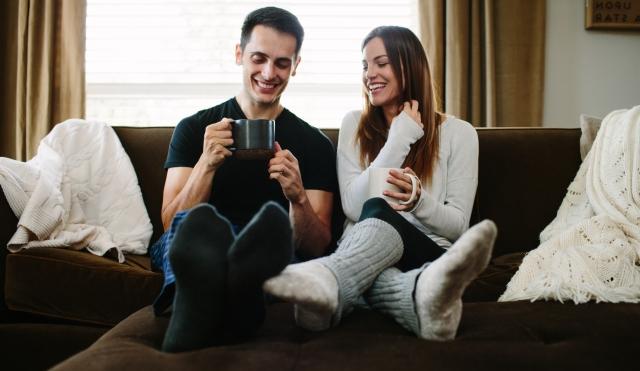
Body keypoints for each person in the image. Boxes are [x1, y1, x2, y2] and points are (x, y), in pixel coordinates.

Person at [264, 26, 497, 340]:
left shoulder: (460, 133)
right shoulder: (353, 126)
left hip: (426, 254)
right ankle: (417, 295)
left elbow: (456, 227)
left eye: (381, 63)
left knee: (377, 206)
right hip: (367, 256)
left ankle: (329, 280)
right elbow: (353, 207)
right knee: (373, 213)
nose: (369, 74)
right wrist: (400, 139)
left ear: (409, 66)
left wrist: (419, 202)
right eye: (365, 65)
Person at [150, 7, 337, 352]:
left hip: (265, 246)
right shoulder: (195, 129)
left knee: (271, 245)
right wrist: (206, 164)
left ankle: (201, 308)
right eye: (259, 58)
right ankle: (237, 298)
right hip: (200, 242)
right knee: (189, 233)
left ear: (296, 65)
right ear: (239, 55)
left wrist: (297, 197)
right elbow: (168, 223)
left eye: (282, 63)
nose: (269, 72)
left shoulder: (314, 144)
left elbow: (318, 245)